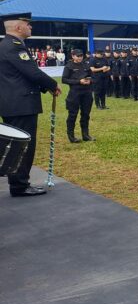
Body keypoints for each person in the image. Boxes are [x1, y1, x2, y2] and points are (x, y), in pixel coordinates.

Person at [0, 13, 61, 197]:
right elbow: (32, 73)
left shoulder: (6, 45)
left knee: (15, 144)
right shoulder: (14, 46)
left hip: (13, 102)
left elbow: (20, 76)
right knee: (23, 145)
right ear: (18, 27)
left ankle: (17, 182)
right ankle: (20, 185)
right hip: (21, 103)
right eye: (28, 25)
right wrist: (52, 85)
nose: (31, 28)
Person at [62, 49, 95, 142]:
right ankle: (71, 136)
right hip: (74, 93)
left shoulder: (86, 64)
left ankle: (86, 135)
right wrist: (78, 81)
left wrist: (90, 80)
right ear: (73, 56)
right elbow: (64, 79)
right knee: (72, 115)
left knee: (86, 114)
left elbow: (92, 77)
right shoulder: (69, 66)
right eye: (78, 56)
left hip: (87, 92)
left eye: (81, 55)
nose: (80, 57)